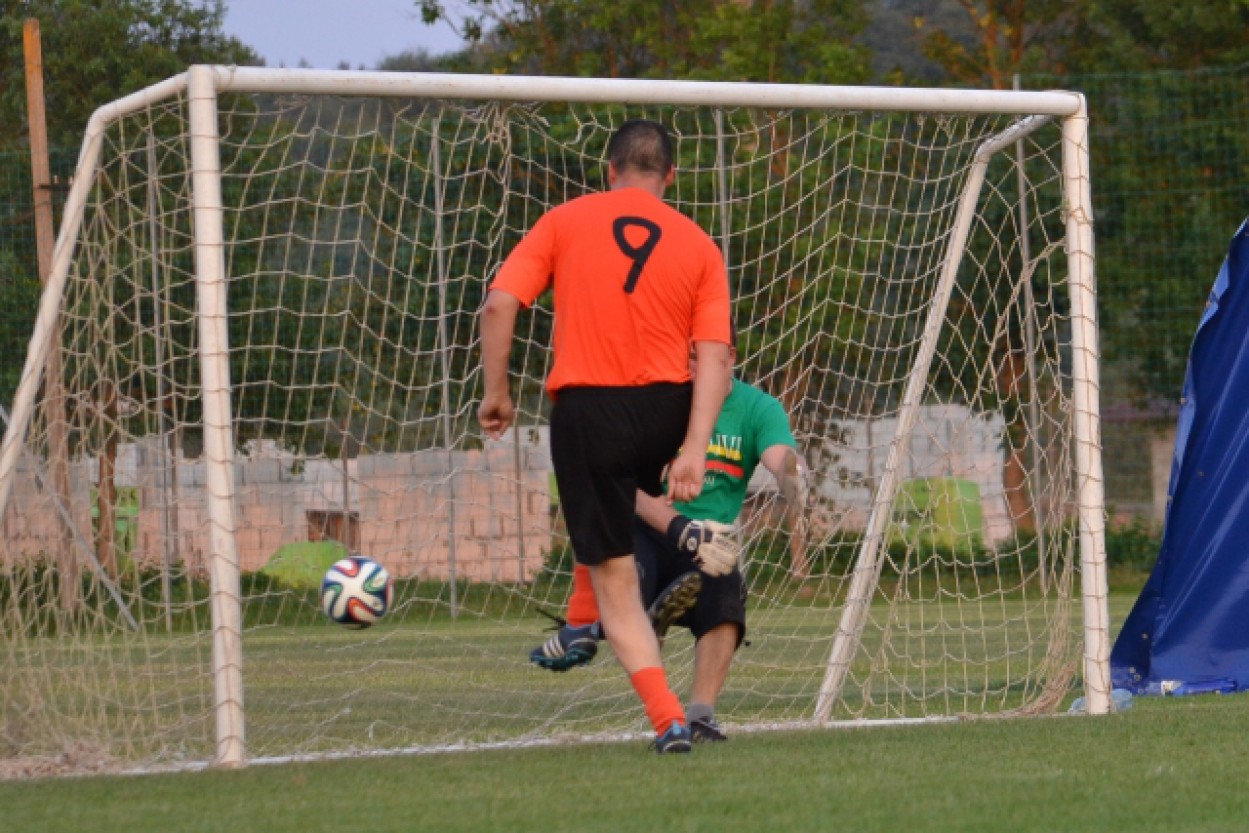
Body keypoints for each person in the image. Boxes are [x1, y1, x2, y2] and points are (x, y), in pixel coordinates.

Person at [477, 119, 733, 754]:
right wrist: (693, 447)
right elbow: (714, 355)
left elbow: (499, 305)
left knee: (614, 573)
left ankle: (668, 719)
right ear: (671, 176)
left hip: (590, 409)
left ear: (608, 168)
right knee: (603, 511)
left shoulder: (564, 221)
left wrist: (497, 392)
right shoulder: (700, 244)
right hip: (666, 411)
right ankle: (580, 618)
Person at [530, 345, 808, 743]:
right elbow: (622, 484)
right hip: (645, 528)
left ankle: (700, 716)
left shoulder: (758, 408)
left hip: (708, 542)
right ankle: (601, 624)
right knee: (628, 589)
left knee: (727, 592)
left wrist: (792, 474)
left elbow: (780, 457)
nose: (690, 365)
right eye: (686, 354)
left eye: (700, 355)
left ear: (729, 357)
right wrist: (679, 527)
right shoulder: (659, 403)